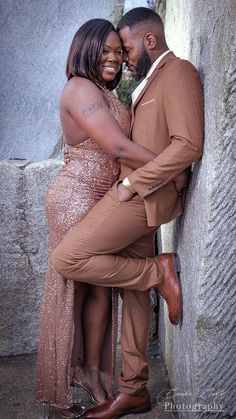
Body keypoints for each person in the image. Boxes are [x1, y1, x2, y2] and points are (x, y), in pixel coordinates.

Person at [52, 7, 204, 419]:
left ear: (149, 41)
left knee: (68, 258)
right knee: (133, 294)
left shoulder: (180, 73)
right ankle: (134, 389)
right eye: (115, 52)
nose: (122, 58)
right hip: (127, 195)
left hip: (139, 197)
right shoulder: (141, 85)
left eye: (126, 49)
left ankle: (160, 270)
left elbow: (187, 144)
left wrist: (133, 184)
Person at [36, 18, 158, 419]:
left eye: (119, 52)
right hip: (75, 198)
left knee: (99, 291)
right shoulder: (80, 87)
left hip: (101, 199)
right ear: (85, 50)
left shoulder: (104, 93)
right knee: (77, 287)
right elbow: (120, 149)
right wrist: (174, 165)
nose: (114, 58)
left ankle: (91, 372)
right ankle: (158, 272)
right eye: (105, 50)